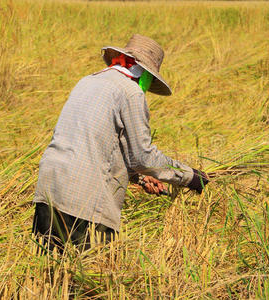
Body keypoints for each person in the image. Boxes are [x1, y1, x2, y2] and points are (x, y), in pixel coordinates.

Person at [32, 34, 209, 253]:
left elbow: (99, 142)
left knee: (49, 269)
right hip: (84, 199)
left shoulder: (87, 81)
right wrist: (190, 177)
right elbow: (143, 157)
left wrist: (141, 178)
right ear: (145, 74)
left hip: (50, 185)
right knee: (90, 277)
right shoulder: (131, 92)